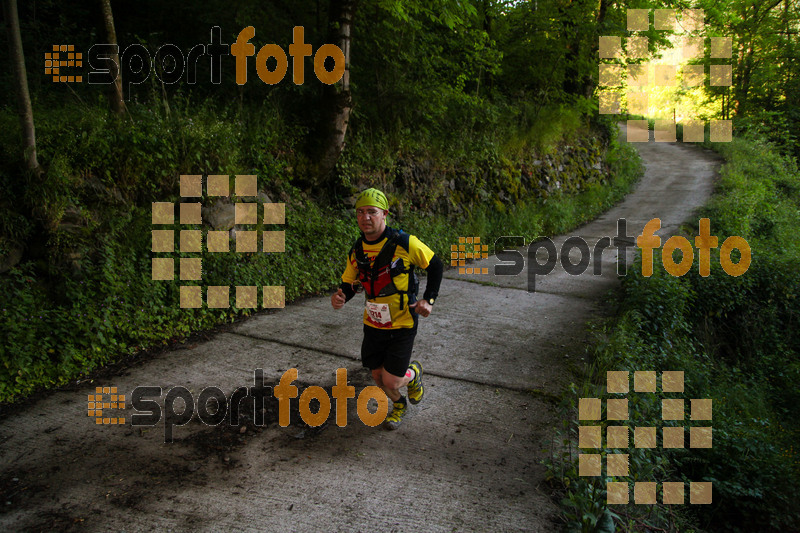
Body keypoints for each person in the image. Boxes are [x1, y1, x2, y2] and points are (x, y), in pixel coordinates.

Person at [331, 188, 443, 430]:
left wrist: (428, 300)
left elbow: (435, 265)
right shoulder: (358, 249)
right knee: (377, 377)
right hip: (373, 324)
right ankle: (399, 405)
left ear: (385, 214)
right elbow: (350, 284)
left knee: (390, 380)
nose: (365, 217)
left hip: (402, 323)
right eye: (360, 212)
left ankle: (412, 374)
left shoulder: (404, 242)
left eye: (372, 212)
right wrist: (341, 297)